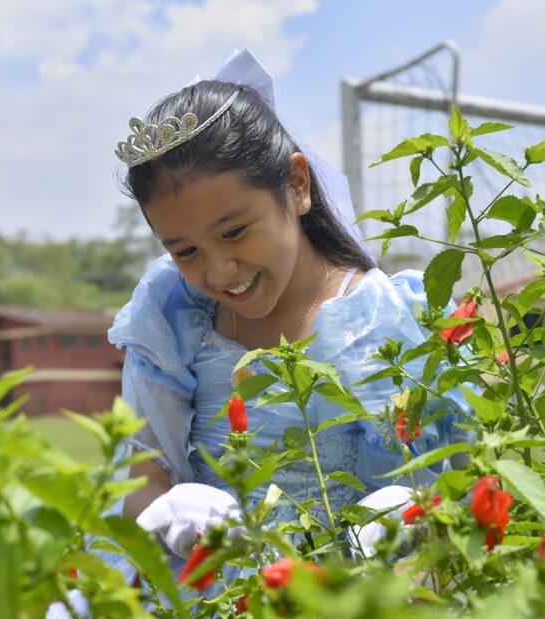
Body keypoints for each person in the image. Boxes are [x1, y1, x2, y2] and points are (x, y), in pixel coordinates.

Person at [108, 50, 472, 568]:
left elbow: (458, 483)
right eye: (184, 251)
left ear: (297, 185)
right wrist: (169, 514)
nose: (218, 273)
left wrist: (408, 514)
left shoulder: (392, 318)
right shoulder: (172, 316)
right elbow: (141, 485)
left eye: (234, 232)